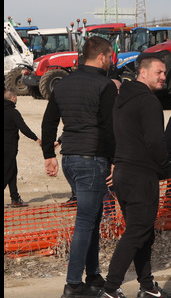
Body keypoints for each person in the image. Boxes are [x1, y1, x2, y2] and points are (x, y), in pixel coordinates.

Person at [40, 36, 117, 298]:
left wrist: (49, 154)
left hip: (70, 159)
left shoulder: (64, 84)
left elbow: (49, 121)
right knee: (86, 221)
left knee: (93, 218)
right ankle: (73, 284)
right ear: (102, 57)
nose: (112, 61)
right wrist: (115, 160)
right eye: (111, 56)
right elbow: (109, 127)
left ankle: (93, 276)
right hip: (92, 158)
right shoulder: (105, 85)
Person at [99, 53, 171, 298]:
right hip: (141, 176)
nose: (164, 77)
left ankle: (147, 286)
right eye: (159, 72)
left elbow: (113, 136)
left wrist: (116, 165)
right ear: (143, 72)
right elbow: (155, 141)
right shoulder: (149, 102)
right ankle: (110, 289)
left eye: (165, 73)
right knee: (136, 232)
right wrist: (165, 169)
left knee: (143, 231)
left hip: (124, 174)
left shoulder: (122, 100)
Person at [4, 89, 39, 207]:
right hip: (9, 147)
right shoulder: (13, 112)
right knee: (8, 172)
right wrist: (36, 139)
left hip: (8, 147)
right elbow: (24, 128)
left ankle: (15, 198)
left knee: (12, 171)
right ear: (13, 98)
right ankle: (15, 198)